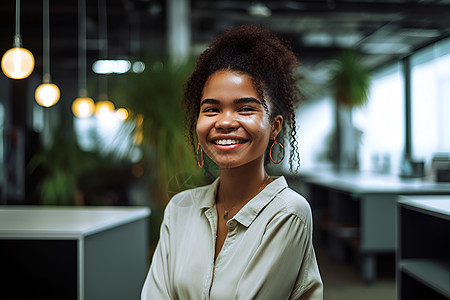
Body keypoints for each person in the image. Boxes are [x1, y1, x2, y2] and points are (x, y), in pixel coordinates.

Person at [141, 24, 323, 300]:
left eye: (245, 108)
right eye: (211, 109)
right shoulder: (180, 208)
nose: (225, 121)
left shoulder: (288, 213)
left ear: (274, 126)